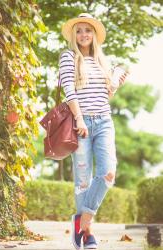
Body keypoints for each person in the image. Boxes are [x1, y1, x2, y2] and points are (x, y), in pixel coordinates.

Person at [59, 13, 127, 250]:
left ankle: (83, 217)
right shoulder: (68, 57)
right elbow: (69, 90)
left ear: (95, 34)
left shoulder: (102, 60)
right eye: (79, 30)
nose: (83, 35)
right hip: (81, 123)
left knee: (109, 172)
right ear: (74, 35)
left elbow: (104, 95)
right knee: (84, 180)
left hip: (104, 121)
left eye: (88, 30)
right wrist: (79, 120)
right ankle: (87, 234)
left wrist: (115, 83)